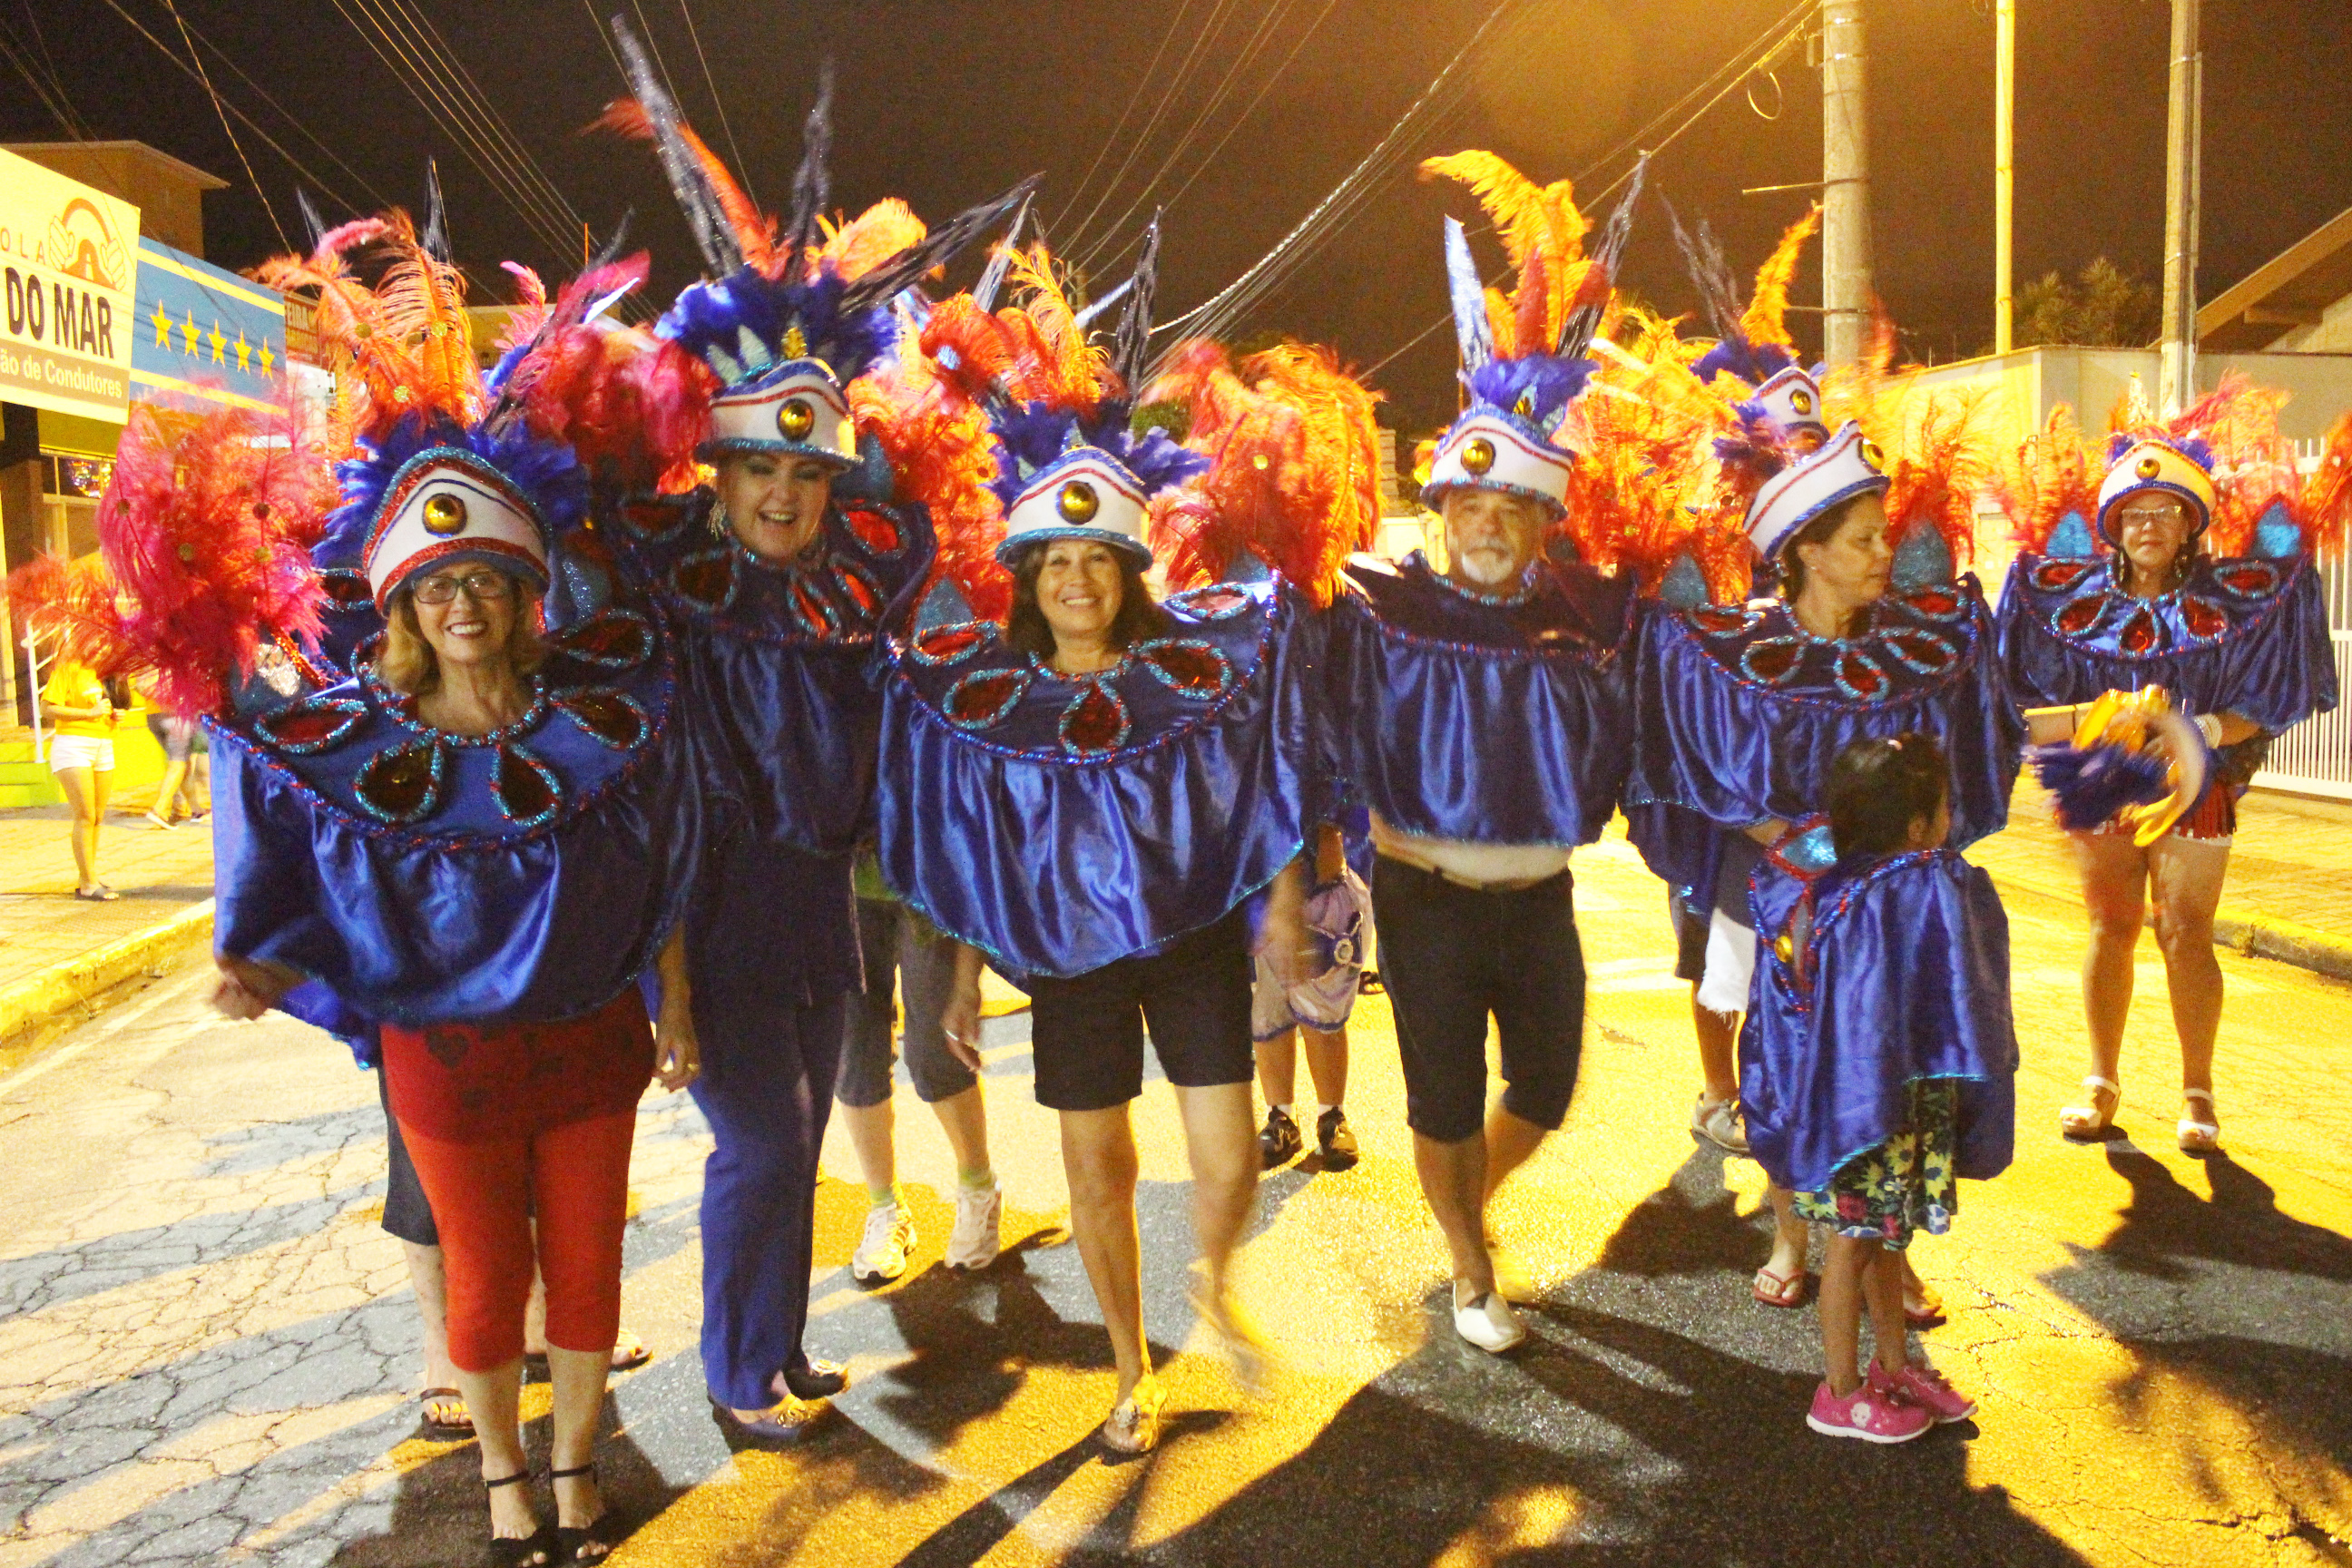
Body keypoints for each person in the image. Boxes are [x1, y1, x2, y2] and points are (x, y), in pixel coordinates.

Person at [210, 212, 725, 1565]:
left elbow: (660, 867)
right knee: (488, 1282)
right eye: (437, 589)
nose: (463, 607)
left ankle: (575, 1463)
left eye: (486, 583)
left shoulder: (605, 729)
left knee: (594, 1272)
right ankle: (503, 1473)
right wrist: (254, 954)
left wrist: (673, 1001)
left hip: (593, 1043)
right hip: (444, 1060)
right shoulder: (357, 751)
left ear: (522, 592)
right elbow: (270, 797)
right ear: (402, 606)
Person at [599, 45, 1026, 1441]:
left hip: (820, 907)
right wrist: (662, 965)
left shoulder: (859, 582)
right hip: (710, 902)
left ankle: (777, 1357)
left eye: (806, 472)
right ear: (715, 473)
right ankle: (734, 1372)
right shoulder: (664, 577)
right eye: (759, 469)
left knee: (789, 1148)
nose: (785, 494)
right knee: (769, 1145)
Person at [878, 239, 1326, 1455]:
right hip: (1065, 963)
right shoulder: (987, 698)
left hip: (1189, 942)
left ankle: (1209, 1286)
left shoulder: (1199, 673)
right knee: (1096, 1178)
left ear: (1130, 570)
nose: (1076, 579)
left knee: (1229, 1157)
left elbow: (1269, 785)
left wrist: (1285, 912)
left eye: (1096, 560)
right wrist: (963, 973)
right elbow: (964, 847)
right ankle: (1133, 1369)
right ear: (1027, 575)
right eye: (1054, 562)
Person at [1623, 304, 2022, 1333]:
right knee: (1787, 1059)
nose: (1882, 550)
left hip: (1890, 908)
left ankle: (1885, 1257)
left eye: (1883, 532)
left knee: (1899, 1059)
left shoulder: (1925, 651)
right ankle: (1795, 1232)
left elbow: (1968, 744)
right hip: (1784, 898)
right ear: (1802, 553)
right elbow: (1695, 762)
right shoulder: (1731, 658)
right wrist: (1811, 852)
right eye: (1861, 537)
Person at [1322, 152, 1645, 1354]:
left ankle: (1466, 1214)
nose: (1491, 524)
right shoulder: (1376, 605)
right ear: (1443, 509)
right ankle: (1467, 1267)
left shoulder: (1592, 612)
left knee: (1546, 1089)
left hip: (1541, 897)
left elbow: (1698, 674)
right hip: (1426, 897)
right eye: (1471, 506)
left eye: (1515, 508)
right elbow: (1279, 688)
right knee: (1444, 1095)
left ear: (1543, 519)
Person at [1998, 390, 2344, 1152]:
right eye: (2133, 512)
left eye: (2165, 511)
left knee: (2185, 931)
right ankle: (2100, 1079)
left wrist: (2198, 729)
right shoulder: (2066, 604)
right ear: (2112, 525)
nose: (2148, 525)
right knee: (2110, 925)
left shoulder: (2238, 602)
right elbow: (2029, 709)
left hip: (2199, 787)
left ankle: (2198, 1091)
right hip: (2102, 783)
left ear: (2191, 522)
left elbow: (2269, 698)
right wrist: (2106, 723)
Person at [1741, 733, 2015, 1442]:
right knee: (1853, 1246)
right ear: (1920, 827)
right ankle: (1838, 1390)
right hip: (1862, 1111)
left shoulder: (1822, 877)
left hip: (1877, 1096)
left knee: (1888, 1241)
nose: (1953, 820)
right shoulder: (1907, 889)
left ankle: (1893, 1365)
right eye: (1947, 807)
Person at [835, 852, 1001, 1282]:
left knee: (936, 1051)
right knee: (854, 1055)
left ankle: (979, 1188)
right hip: (840, 879)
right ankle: (885, 1208)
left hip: (929, 878)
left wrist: (968, 982)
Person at [1252, 818, 1367, 1171]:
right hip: (1256, 894)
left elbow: (1342, 803)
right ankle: (1280, 1117)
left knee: (1324, 1018)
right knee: (1266, 1012)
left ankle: (1331, 1114)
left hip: (1323, 890)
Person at [40, 655, 120, 899]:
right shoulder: (68, 668)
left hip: (104, 744)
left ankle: (88, 875)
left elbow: (106, 709)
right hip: (73, 745)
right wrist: (89, 713)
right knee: (85, 815)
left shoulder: (108, 672)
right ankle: (88, 884)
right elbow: (47, 708)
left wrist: (115, 716)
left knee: (97, 816)